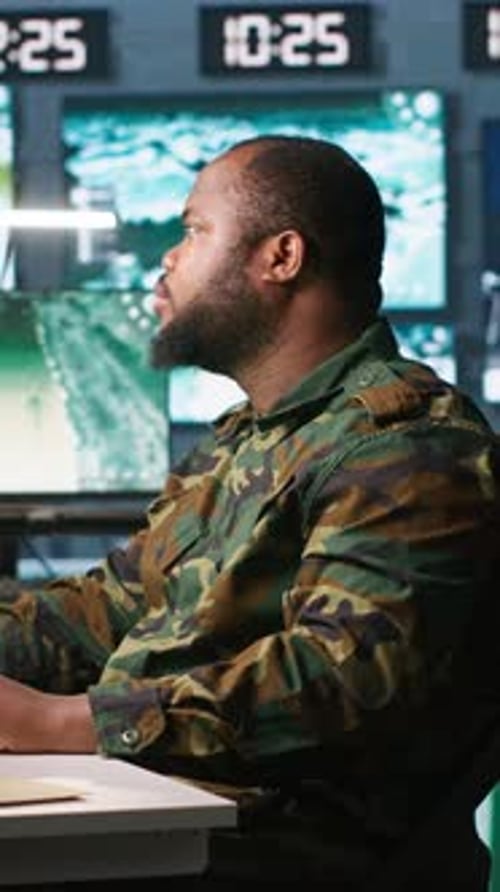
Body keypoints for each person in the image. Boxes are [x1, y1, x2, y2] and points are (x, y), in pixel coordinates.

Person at [0, 135, 499, 890]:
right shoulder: (250, 436)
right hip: (174, 828)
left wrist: (61, 725)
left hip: (282, 860)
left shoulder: (413, 449)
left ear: (282, 257)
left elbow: (339, 681)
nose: (168, 259)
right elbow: (104, 610)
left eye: (194, 230)